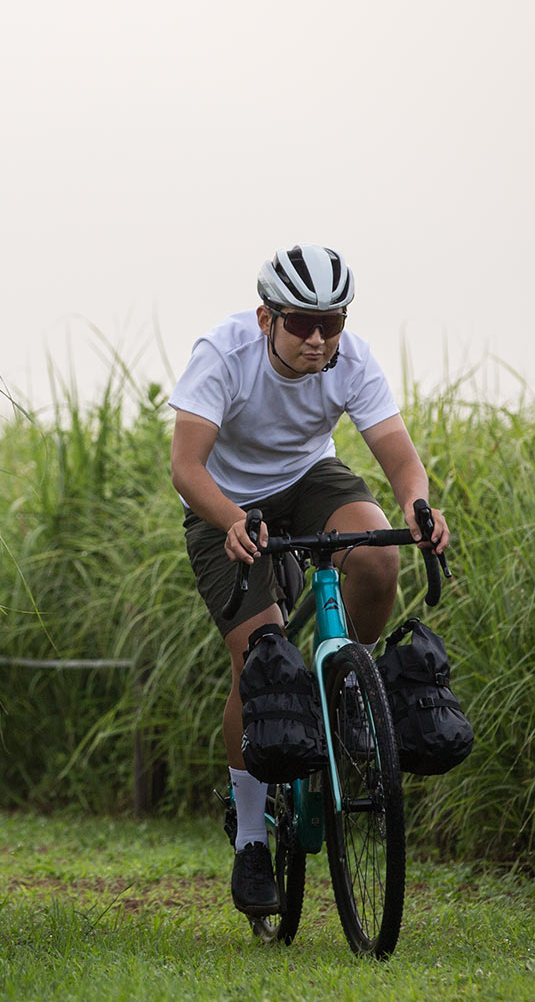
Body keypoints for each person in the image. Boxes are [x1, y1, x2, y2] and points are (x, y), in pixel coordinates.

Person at [168, 244, 452, 917]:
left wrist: (418, 506)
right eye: (301, 323)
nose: (318, 339)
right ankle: (248, 839)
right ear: (267, 316)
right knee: (260, 659)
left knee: (380, 554)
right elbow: (186, 466)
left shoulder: (350, 359)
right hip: (223, 503)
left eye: (333, 322)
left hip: (307, 481)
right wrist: (234, 519)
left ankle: (347, 686)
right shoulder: (224, 353)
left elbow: (400, 458)